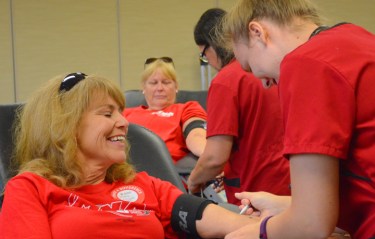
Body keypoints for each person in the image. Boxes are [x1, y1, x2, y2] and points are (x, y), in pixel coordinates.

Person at [0, 72, 255, 238]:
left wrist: (271, 226)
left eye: (121, 112)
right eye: (107, 113)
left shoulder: (145, 185)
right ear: (65, 126)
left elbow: (209, 217)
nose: (123, 122)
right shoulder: (29, 189)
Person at [219, 0, 375, 238]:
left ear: (257, 32)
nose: (263, 82)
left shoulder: (304, 63)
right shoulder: (356, 37)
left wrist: (257, 232)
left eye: (250, 66)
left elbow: (311, 224)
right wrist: (288, 206)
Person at [187, 8, 290, 205]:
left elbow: (214, 159)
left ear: (214, 45)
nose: (207, 62)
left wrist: (192, 182)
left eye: (203, 55)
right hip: (292, 185)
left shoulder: (226, 81)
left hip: (254, 194)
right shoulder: (272, 71)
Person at [123, 57, 207, 164]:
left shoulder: (187, 108)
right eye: (153, 83)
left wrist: (209, 158)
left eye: (166, 82)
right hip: (125, 168)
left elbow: (197, 135)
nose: (160, 88)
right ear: (143, 88)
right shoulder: (125, 113)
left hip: (161, 170)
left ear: (176, 86)